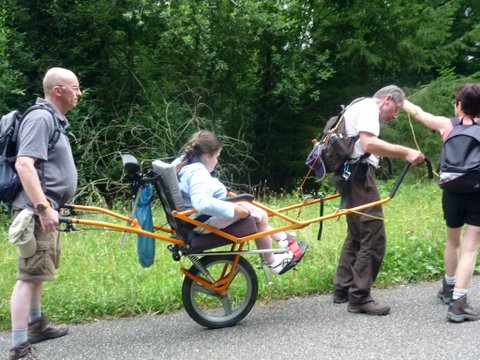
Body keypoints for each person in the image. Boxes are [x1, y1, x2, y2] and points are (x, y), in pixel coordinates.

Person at [332, 85, 425, 316]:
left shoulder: (357, 104)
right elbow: (369, 144)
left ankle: (342, 288)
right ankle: (360, 297)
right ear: (388, 100)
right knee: (374, 236)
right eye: (396, 109)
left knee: (356, 234)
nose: (395, 116)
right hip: (360, 177)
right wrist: (406, 152)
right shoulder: (369, 108)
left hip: (349, 176)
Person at [8, 67, 81, 360]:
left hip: (45, 208)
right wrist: (43, 208)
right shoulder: (41, 118)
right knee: (27, 276)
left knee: (38, 271)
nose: (79, 93)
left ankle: (37, 324)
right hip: (34, 212)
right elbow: (24, 165)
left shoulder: (53, 120)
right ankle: (18, 347)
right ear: (58, 90)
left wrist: (53, 204)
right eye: (75, 88)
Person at [174, 130, 307, 275]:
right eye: (217, 157)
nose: (217, 162)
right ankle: (274, 262)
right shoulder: (197, 173)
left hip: (196, 219)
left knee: (254, 210)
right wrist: (234, 210)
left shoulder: (183, 162)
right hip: (203, 220)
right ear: (207, 157)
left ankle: (283, 238)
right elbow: (202, 203)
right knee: (260, 215)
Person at [402, 83, 480, 322]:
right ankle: (459, 303)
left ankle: (448, 288)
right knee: (470, 247)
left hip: (452, 191)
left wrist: (401, 99)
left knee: (452, 240)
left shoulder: (447, 125)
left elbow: (418, 113)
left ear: (458, 105)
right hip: (478, 192)